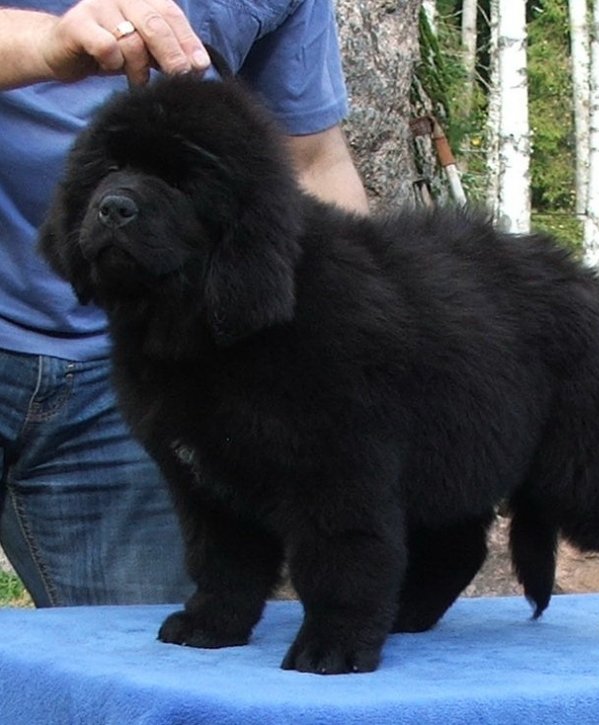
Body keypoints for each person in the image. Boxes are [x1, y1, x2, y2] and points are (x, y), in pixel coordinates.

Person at [0, 0, 369, 607]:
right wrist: (45, 44)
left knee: (146, 659)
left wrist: (368, 358)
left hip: (143, 365)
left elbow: (310, 160)